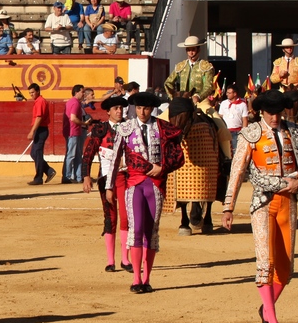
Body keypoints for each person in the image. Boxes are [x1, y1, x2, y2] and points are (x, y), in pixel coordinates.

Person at [224, 90, 298, 323]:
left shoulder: (295, 133)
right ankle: (273, 320)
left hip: (289, 203)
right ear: (261, 112)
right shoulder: (251, 134)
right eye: (270, 113)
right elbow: (237, 170)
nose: (275, 117)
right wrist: (228, 206)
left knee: (286, 269)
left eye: (278, 112)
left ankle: (266, 307)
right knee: (266, 263)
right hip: (262, 203)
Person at [101, 91, 185, 293]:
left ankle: (146, 279)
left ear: (152, 109)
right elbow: (114, 159)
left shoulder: (163, 128)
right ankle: (136, 279)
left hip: (155, 184)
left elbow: (178, 155)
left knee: (151, 232)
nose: (142, 112)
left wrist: (162, 167)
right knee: (136, 230)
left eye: (145, 108)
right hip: (134, 184)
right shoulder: (125, 128)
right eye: (138, 108)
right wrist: (109, 186)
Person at [83, 95, 131, 272]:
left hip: (126, 178)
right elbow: (88, 154)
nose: (119, 111)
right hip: (106, 179)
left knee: (126, 218)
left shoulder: (130, 128)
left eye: (121, 108)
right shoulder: (100, 130)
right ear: (109, 111)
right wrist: (86, 176)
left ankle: (125, 260)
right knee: (110, 218)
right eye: (116, 108)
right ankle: (110, 261)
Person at [165, 98, 220, 236]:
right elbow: (169, 84)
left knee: (222, 129)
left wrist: (198, 97)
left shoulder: (204, 74)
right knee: (160, 124)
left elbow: (207, 85)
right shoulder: (177, 75)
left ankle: (225, 158)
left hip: (200, 104)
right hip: (178, 104)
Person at [164, 36, 216, 100]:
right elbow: (168, 83)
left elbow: (208, 86)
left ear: (199, 50)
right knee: (166, 110)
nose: (191, 53)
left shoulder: (206, 66)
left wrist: (199, 97)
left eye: (193, 50)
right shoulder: (181, 66)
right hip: (182, 100)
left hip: (201, 101)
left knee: (208, 110)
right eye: (188, 50)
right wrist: (173, 96)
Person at [26, 83, 54, 185]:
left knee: (37, 153)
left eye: (33, 92)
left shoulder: (40, 101)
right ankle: (48, 171)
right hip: (40, 129)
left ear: (38, 91)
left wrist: (32, 131)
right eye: (30, 93)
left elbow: (39, 117)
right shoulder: (38, 101)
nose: (31, 95)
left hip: (41, 129)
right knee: (34, 153)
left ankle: (38, 178)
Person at [62, 85, 86, 183]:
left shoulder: (72, 102)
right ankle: (67, 177)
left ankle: (78, 176)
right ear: (76, 92)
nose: (84, 94)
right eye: (82, 92)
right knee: (72, 155)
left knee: (76, 154)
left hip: (72, 131)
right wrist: (84, 123)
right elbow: (73, 118)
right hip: (73, 131)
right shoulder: (75, 103)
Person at [219, 84, 249, 152]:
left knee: (236, 151)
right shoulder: (223, 103)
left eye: (229, 93)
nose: (227, 94)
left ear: (235, 94)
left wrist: (243, 133)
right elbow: (220, 117)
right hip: (225, 132)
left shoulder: (242, 104)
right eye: (227, 92)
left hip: (237, 132)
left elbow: (245, 120)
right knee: (226, 152)